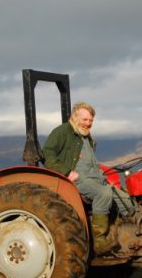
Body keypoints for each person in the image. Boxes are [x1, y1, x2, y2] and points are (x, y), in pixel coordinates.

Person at [43, 101, 133, 255]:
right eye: (85, 120)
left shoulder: (87, 137)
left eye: (91, 121)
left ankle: (123, 235)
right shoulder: (62, 132)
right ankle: (98, 242)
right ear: (74, 116)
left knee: (126, 200)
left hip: (95, 179)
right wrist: (67, 172)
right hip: (77, 179)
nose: (88, 123)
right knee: (103, 194)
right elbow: (48, 154)